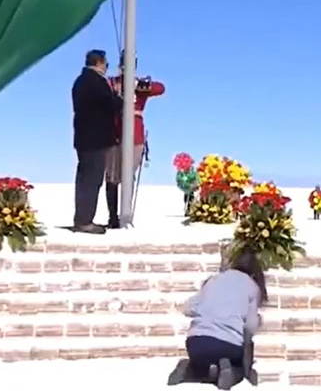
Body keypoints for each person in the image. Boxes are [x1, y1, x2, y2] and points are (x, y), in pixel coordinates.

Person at [172, 251, 263, 387]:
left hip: (195, 342)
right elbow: (250, 326)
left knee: (202, 362)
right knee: (240, 362)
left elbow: (188, 308)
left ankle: (191, 369)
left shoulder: (214, 279)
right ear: (254, 271)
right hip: (228, 345)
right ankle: (230, 372)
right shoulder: (252, 287)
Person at [106, 52, 165, 229]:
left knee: (128, 176)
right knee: (111, 176)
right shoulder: (113, 82)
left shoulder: (139, 85)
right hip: (114, 134)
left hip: (134, 135)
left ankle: (126, 215)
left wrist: (140, 85)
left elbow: (160, 88)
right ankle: (112, 216)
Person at [72, 50, 122, 234]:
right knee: (92, 180)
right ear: (99, 63)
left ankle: (81, 218)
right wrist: (118, 96)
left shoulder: (80, 81)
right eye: (106, 64)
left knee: (84, 179)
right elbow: (110, 105)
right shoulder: (96, 82)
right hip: (95, 139)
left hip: (83, 138)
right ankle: (85, 220)